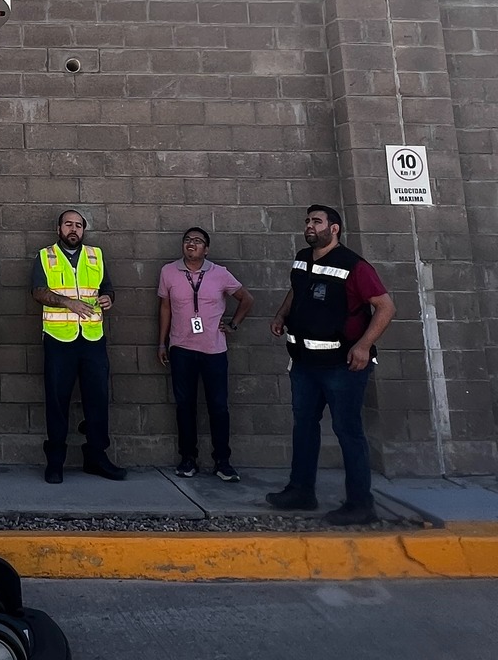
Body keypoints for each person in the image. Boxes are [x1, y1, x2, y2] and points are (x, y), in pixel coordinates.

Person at [267, 204, 396, 525]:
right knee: (304, 426)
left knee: (348, 431)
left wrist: (363, 345)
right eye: (307, 221)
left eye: (317, 221)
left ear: (334, 228)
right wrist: (282, 314)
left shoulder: (354, 265)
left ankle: (360, 504)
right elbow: (297, 289)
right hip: (305, 363)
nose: (309, 226)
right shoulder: (302, 258)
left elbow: (385, 307)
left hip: (342, 365)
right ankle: (301, 491)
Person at [30, 209, 126, 483]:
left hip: (93, 339)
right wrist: (67, 303)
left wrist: (108, 298)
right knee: (57, 401)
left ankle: (96, 457)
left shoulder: (96, 255)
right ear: (58, 228)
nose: (74, 229)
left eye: (78, 226)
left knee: (97, 400)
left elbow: (107, 288)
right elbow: (38, 292)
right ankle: (55, 461)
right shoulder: (45, 256)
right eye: (68, 224)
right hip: (59, 340)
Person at [157, 227, 254, 482]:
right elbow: (165, 308)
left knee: (218, 407)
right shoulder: (168, 271)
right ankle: (188, 459)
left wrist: (233, 325)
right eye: (187, 240)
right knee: (185, 406)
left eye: (198, 241)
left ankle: (222, 461)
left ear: (206, 249)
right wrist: (161, 343)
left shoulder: (220, 273)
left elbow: (246, 299)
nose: (192, 244)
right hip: (181, 349)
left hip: (214, 350)